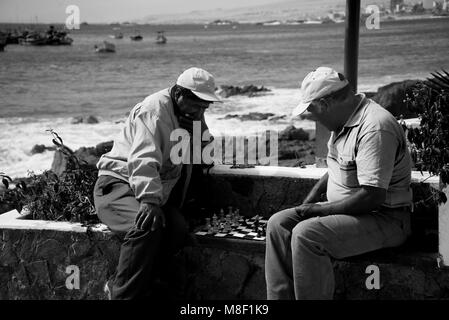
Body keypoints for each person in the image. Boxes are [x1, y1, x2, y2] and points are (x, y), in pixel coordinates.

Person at [265, 67, 413, 300]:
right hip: (357, 214)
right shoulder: (343, 122)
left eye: (312, 112)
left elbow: (372, 196)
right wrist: (308, 203)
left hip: (387, 218)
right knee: (278, 224)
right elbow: (336, 170)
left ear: (326, 104)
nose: (312, 118)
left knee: (306, 234)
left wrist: (319, 211)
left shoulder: (374, 127)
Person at [93, 67, 221, 299]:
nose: (202, 111)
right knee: (145, 227)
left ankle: (147, 288)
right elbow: (144, 157)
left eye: (206, 106)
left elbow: (203, 148)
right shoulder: (155, 110)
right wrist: (150, 200)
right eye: (198, 105)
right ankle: (120, 294)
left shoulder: (191, 113)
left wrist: (198, 134)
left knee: (177, 229)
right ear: (180, 94)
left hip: (144, 188)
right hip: (118, 184)